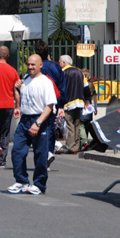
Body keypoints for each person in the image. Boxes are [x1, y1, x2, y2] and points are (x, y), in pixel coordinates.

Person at [8, 54, 56, 195]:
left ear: (40, 65)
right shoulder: (26, 79)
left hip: (39, 119)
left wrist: (38, 123)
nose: (30, 67)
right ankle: (21, 181)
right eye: (28, 64)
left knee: (40, 155)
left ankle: (39, 185)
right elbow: (24, 97)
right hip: (24, 120)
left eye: (33, 65)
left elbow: (49, 106)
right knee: (17, 151)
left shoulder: (46, 82)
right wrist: (17, 91)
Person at [34, 40, 66, 169]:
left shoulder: (37, 66)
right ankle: (48, 152)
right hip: (53, 103)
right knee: (50, 129)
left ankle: (43, 155)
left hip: (38, 103)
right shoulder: (56, 67)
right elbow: (62, 88)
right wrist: (61, 106)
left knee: (37, 128)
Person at [59, 55, 91, 154]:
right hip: (80, 102)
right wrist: (87, 100)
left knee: (70, 125)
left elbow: (60, 89)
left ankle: (70, 146)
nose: (59, 64)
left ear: (64, 63)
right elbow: (86, 87)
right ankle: (76, 145)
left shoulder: (63, 73)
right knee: (77, 124)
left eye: (60, 62)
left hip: (68, 103)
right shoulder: (79, 72)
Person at [80, 68, 99, 151]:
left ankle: (84, 142)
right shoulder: (91, 85)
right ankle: (86, 140)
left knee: (81, 124)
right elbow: (94, 96)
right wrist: (95, 106)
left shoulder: (81, 84)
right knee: (87, 123)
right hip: (90, 106)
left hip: (82, 105)